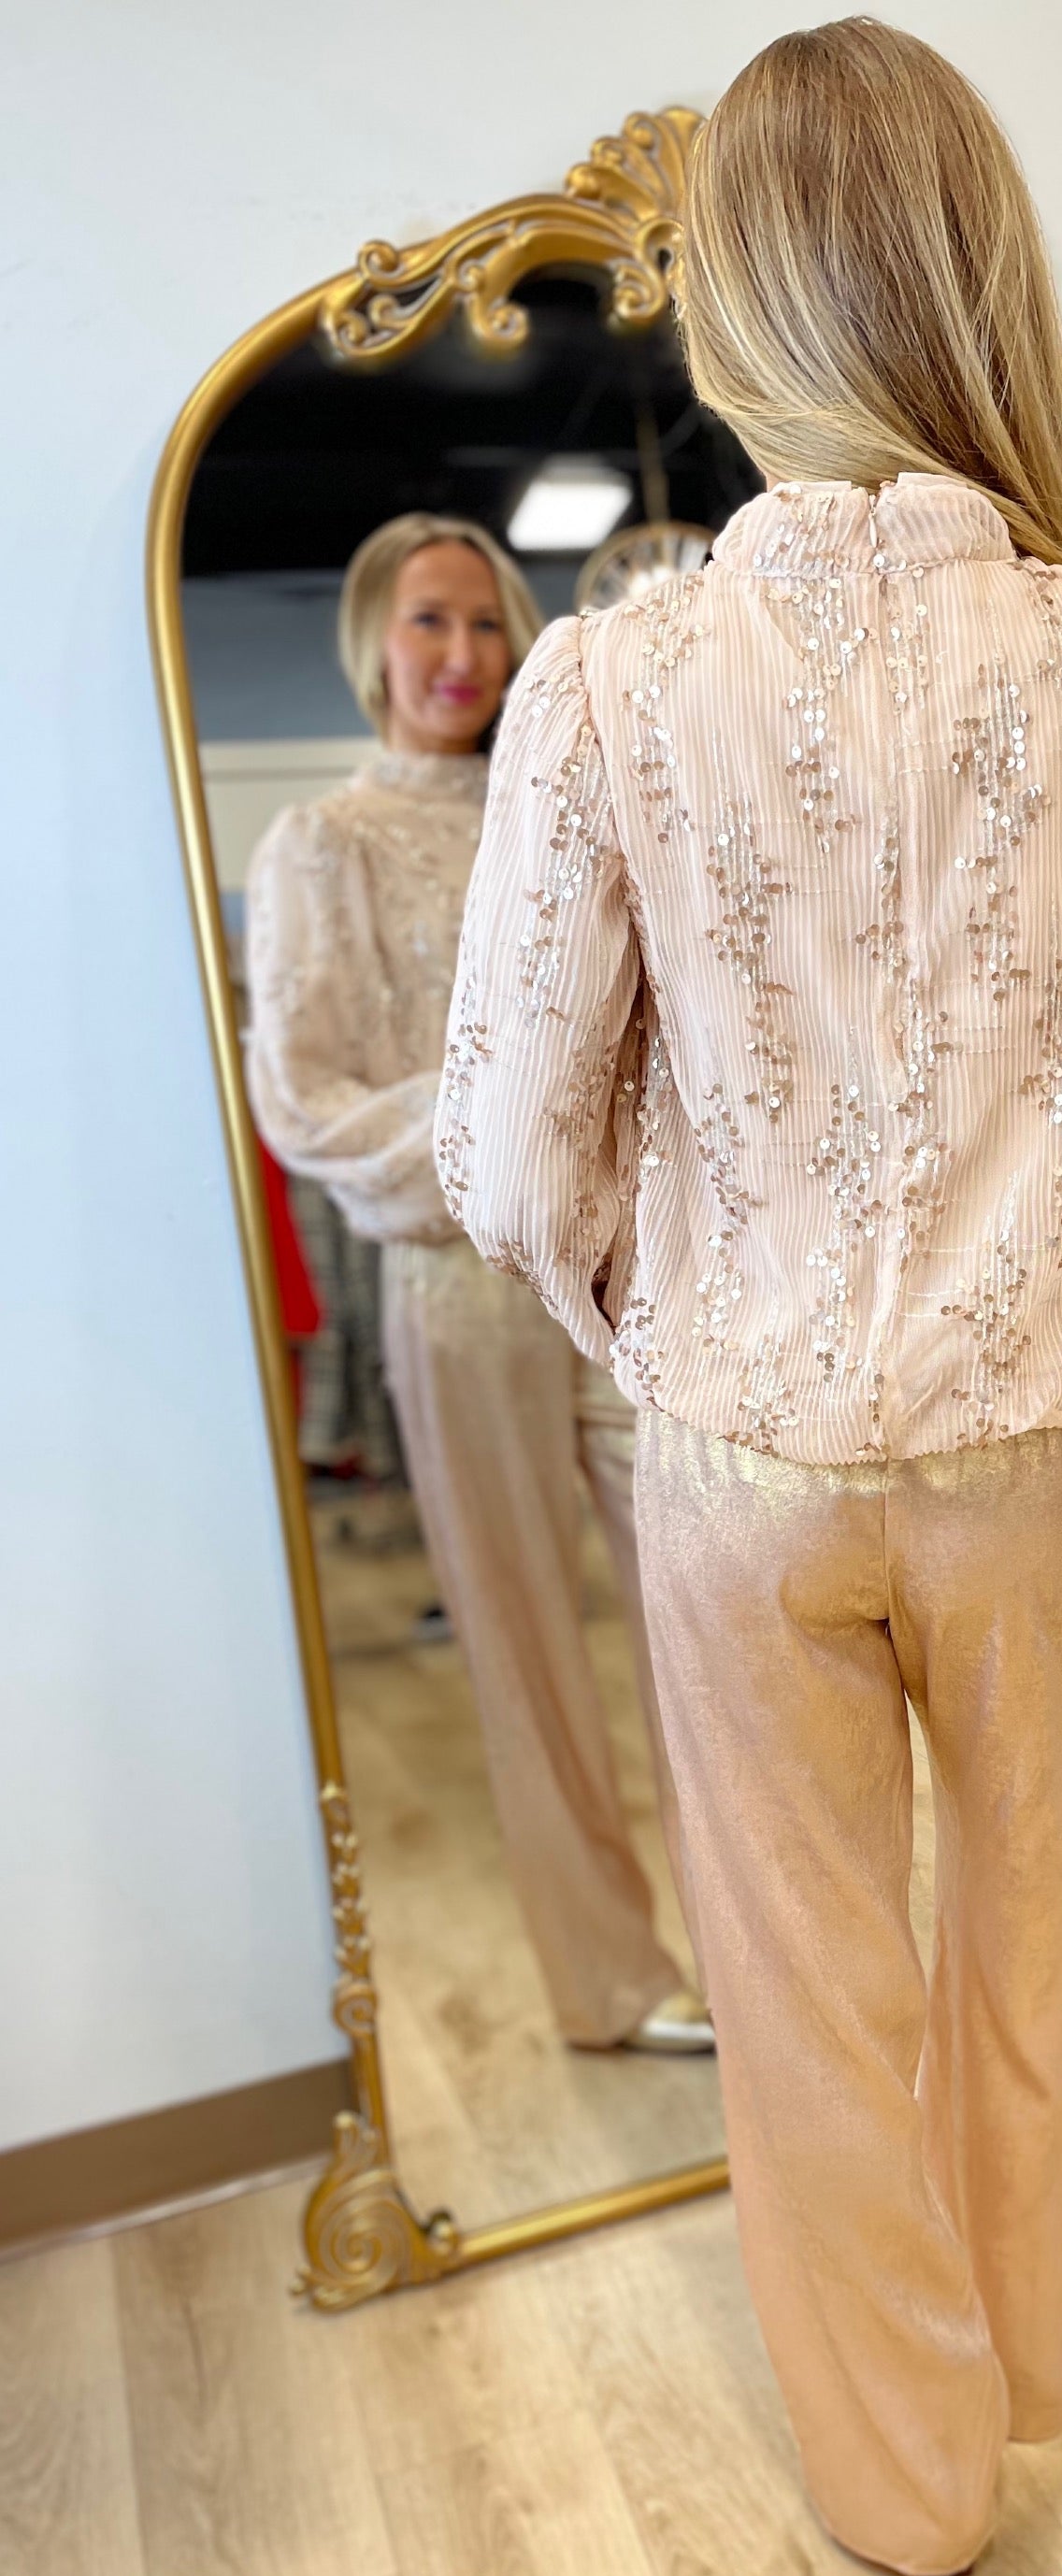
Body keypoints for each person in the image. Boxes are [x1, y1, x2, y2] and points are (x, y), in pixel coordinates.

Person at [441, 19, 1062, 2576]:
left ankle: (906, 2484)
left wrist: (655, 1304)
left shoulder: (615, 681)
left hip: (746, 1464)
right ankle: (1018, 2383)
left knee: (803, 1990)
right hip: (1043, 1450)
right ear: (975, 279)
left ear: (739, 311)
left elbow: (508, 1148)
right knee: (1022, 1935)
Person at [245, 511, 710, 2055]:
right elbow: (304, 1100)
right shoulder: (321, 844)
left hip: (624, 1272)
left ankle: (762, 1955)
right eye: (429, 621)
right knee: (524, 1648)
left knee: (711, 1611)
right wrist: (502, 1142)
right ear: (371, 640)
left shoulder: (567, 815)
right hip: (457, 1285)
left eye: (487, 622)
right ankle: (611, 1984)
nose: (461, 653)